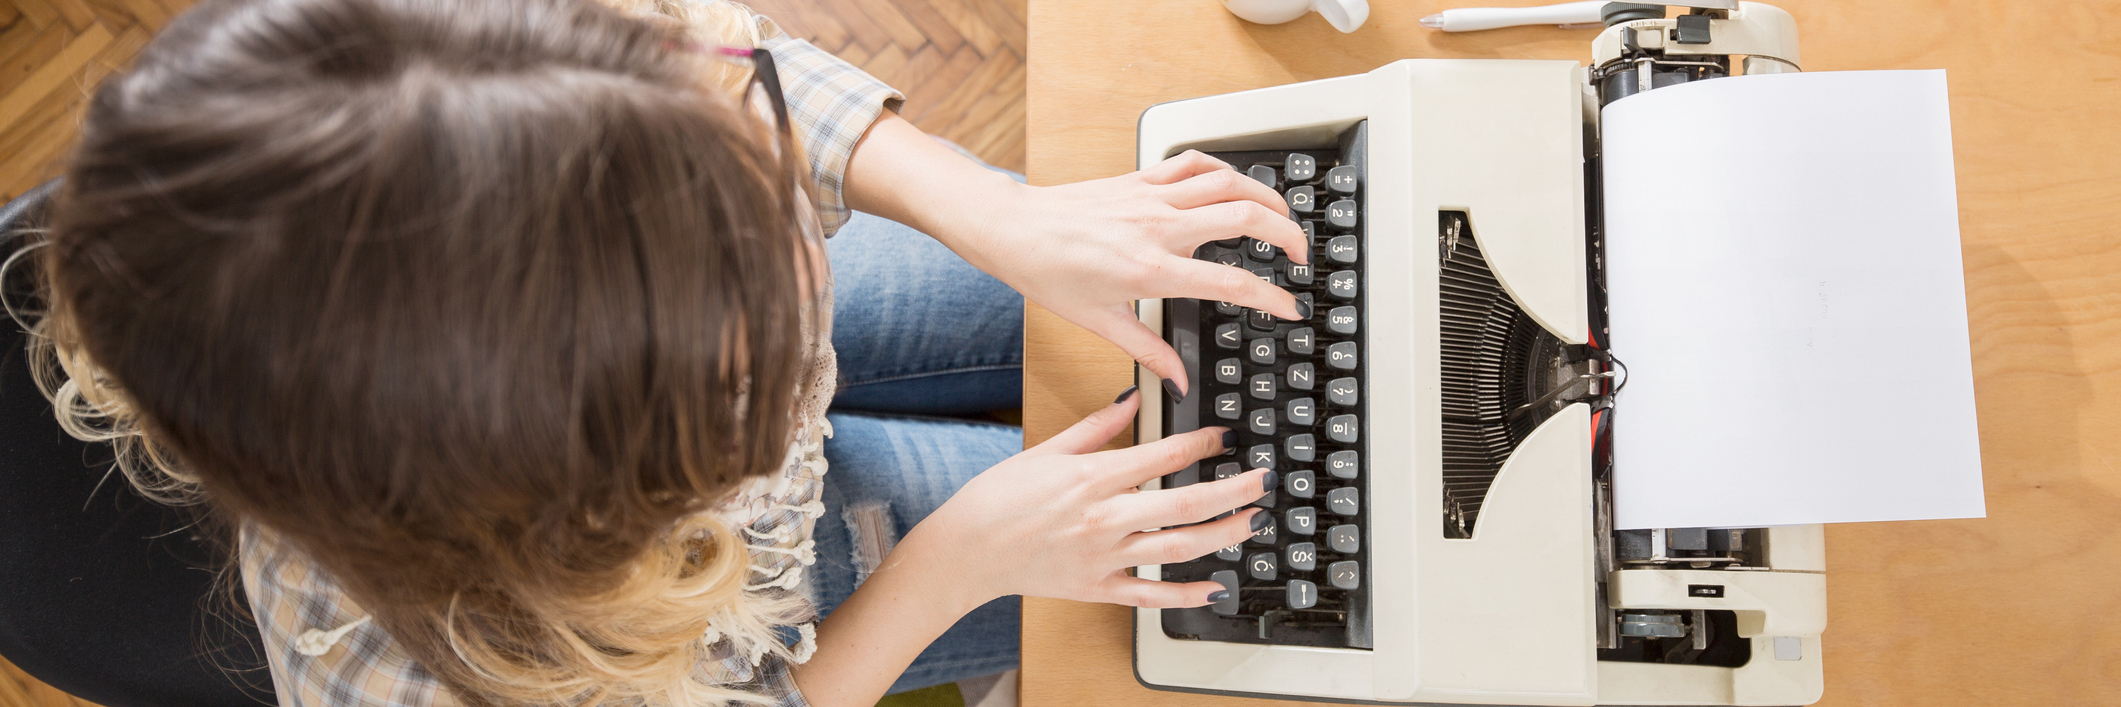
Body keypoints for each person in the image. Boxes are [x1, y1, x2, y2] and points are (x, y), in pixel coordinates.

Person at [19, 0, 1311, 704]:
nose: (812, 250)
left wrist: (997, 213)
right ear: (601, 498)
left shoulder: (397, 60)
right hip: (758, 606)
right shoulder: (437, 682)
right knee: (1210, 563)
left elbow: (727, 52)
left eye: (737, 172)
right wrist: (955, 565)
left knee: (1213, 304)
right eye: (748, 339)